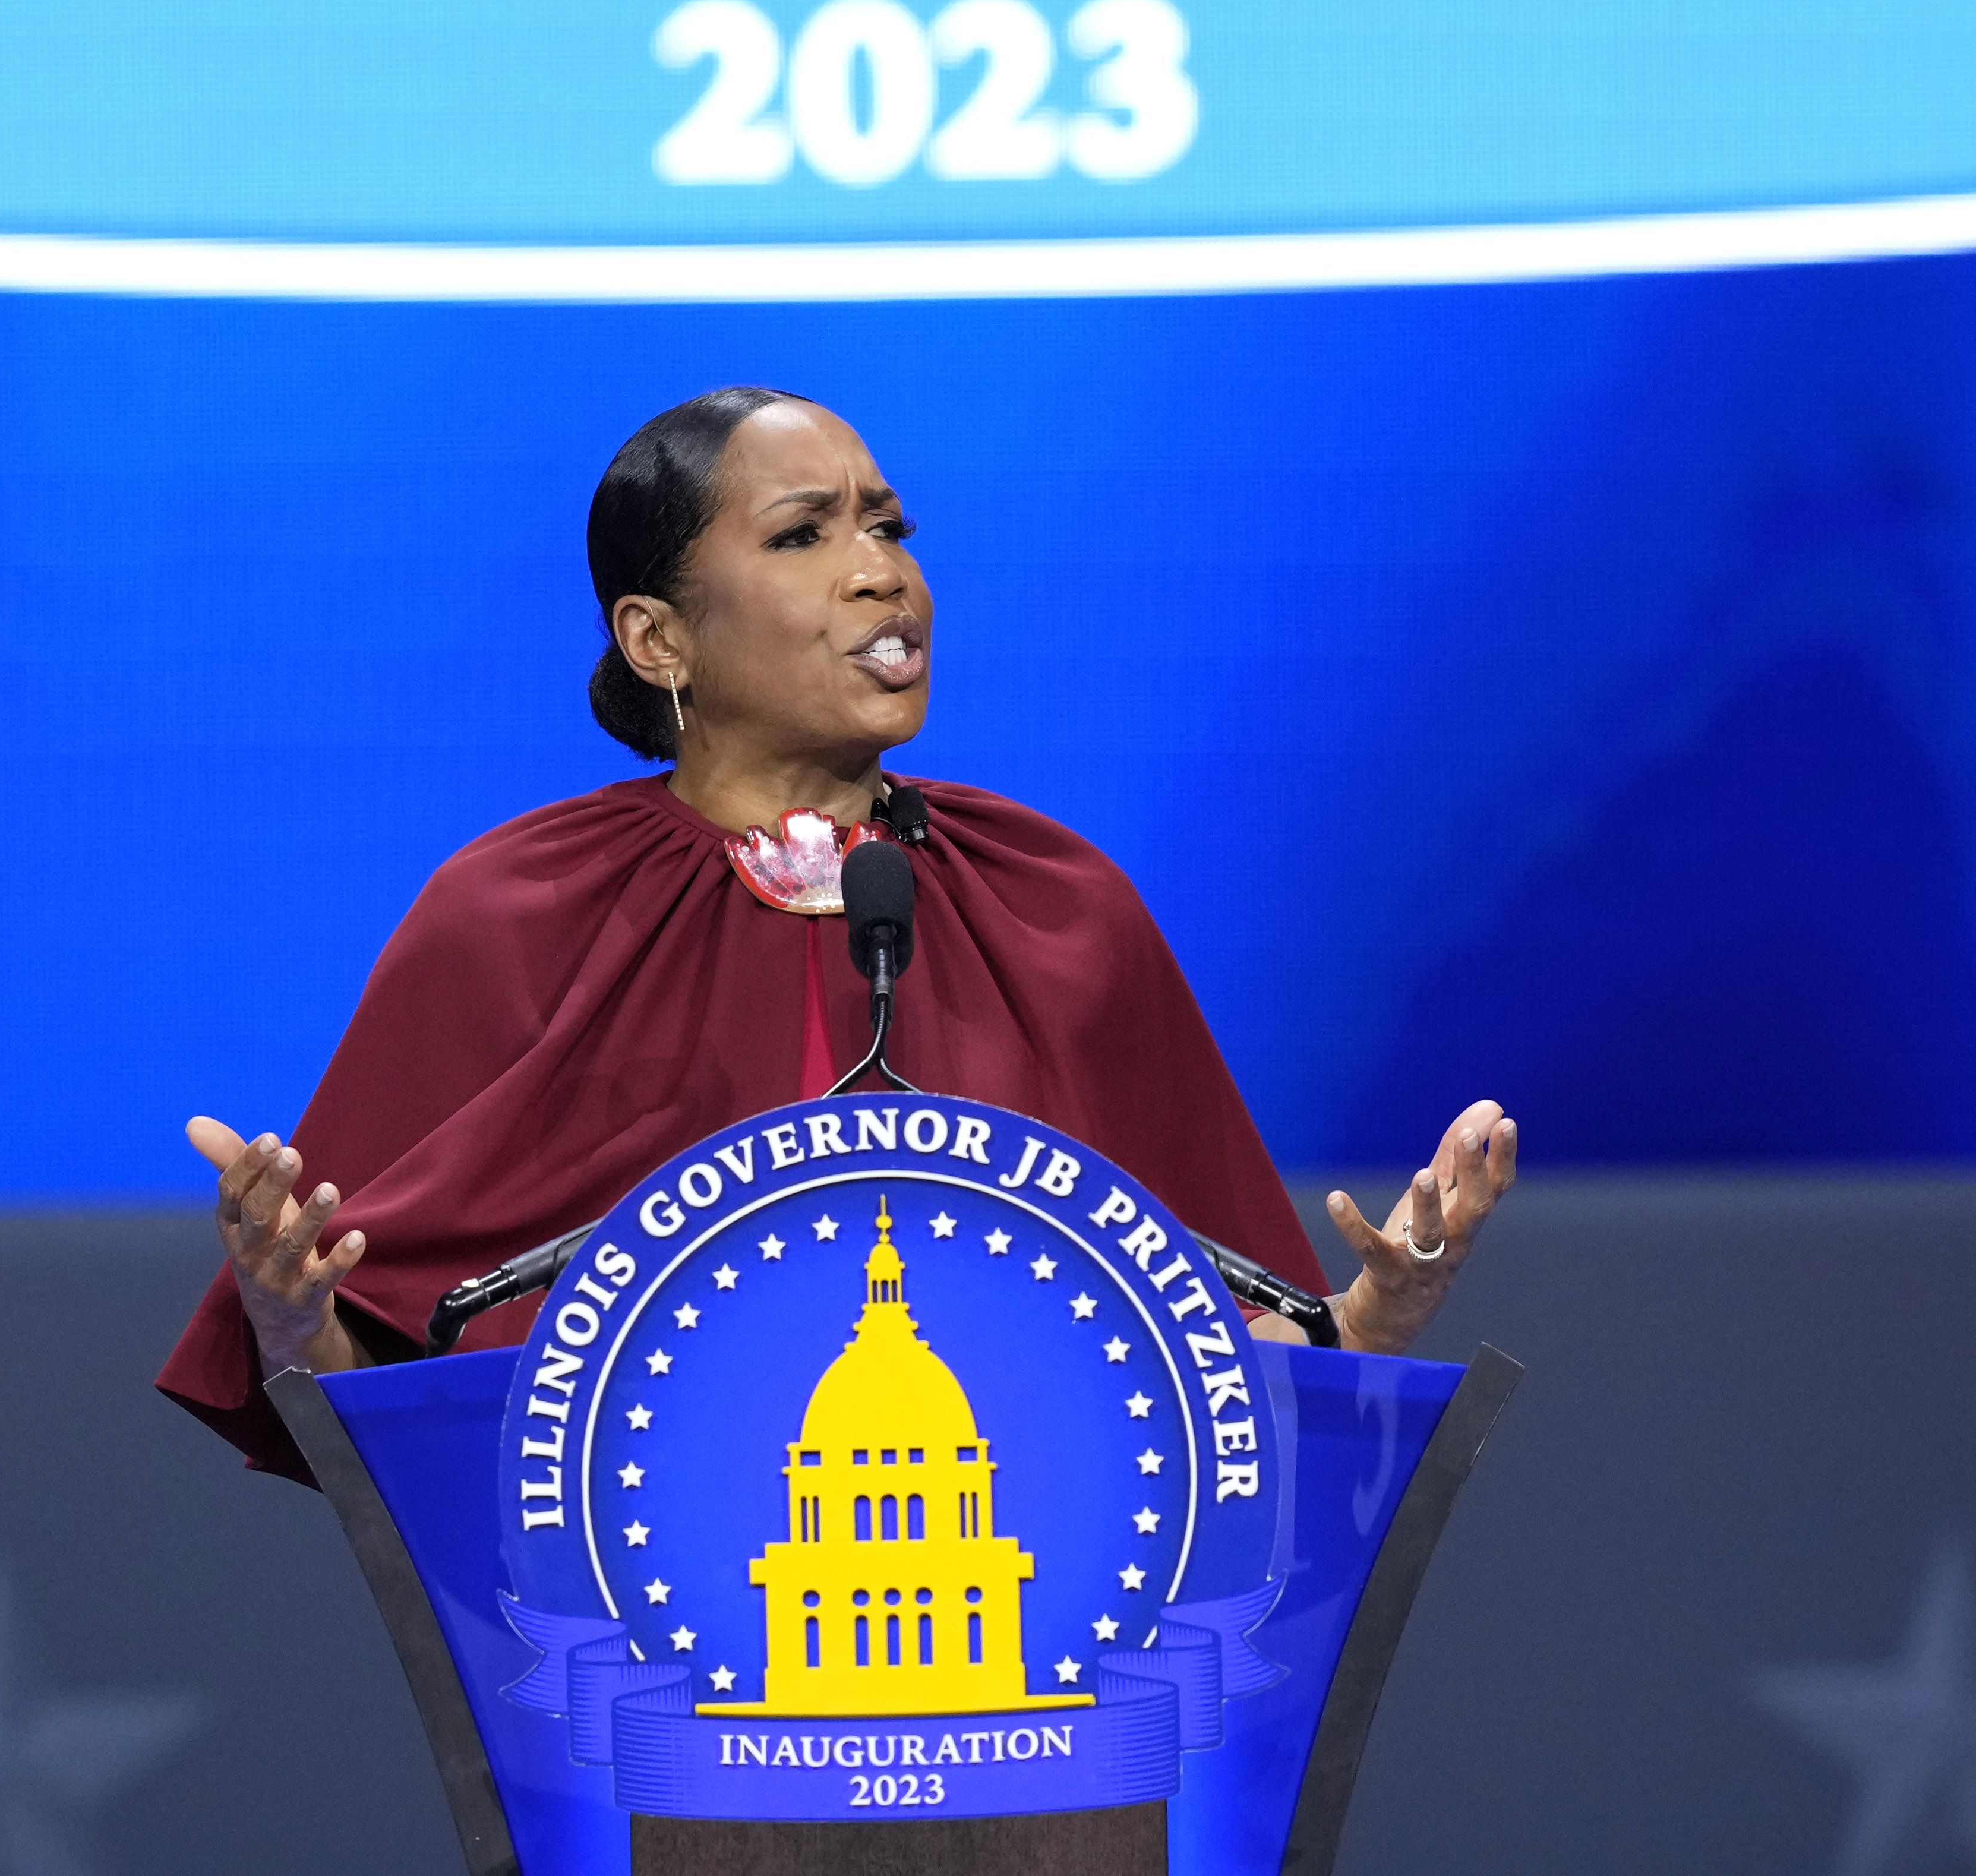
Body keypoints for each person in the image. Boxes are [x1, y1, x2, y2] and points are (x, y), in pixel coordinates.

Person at [160, 387, 1517, 1480]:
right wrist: (295, 1318)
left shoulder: (1060, 904)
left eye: (890, 529)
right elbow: (394, 1432)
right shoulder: (516, 916)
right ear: (656, 639)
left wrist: (1367, 1325)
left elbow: (1227, 1407)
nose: (880, 576)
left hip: (1032, 1658)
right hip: (661, 1694)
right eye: (805, 536)